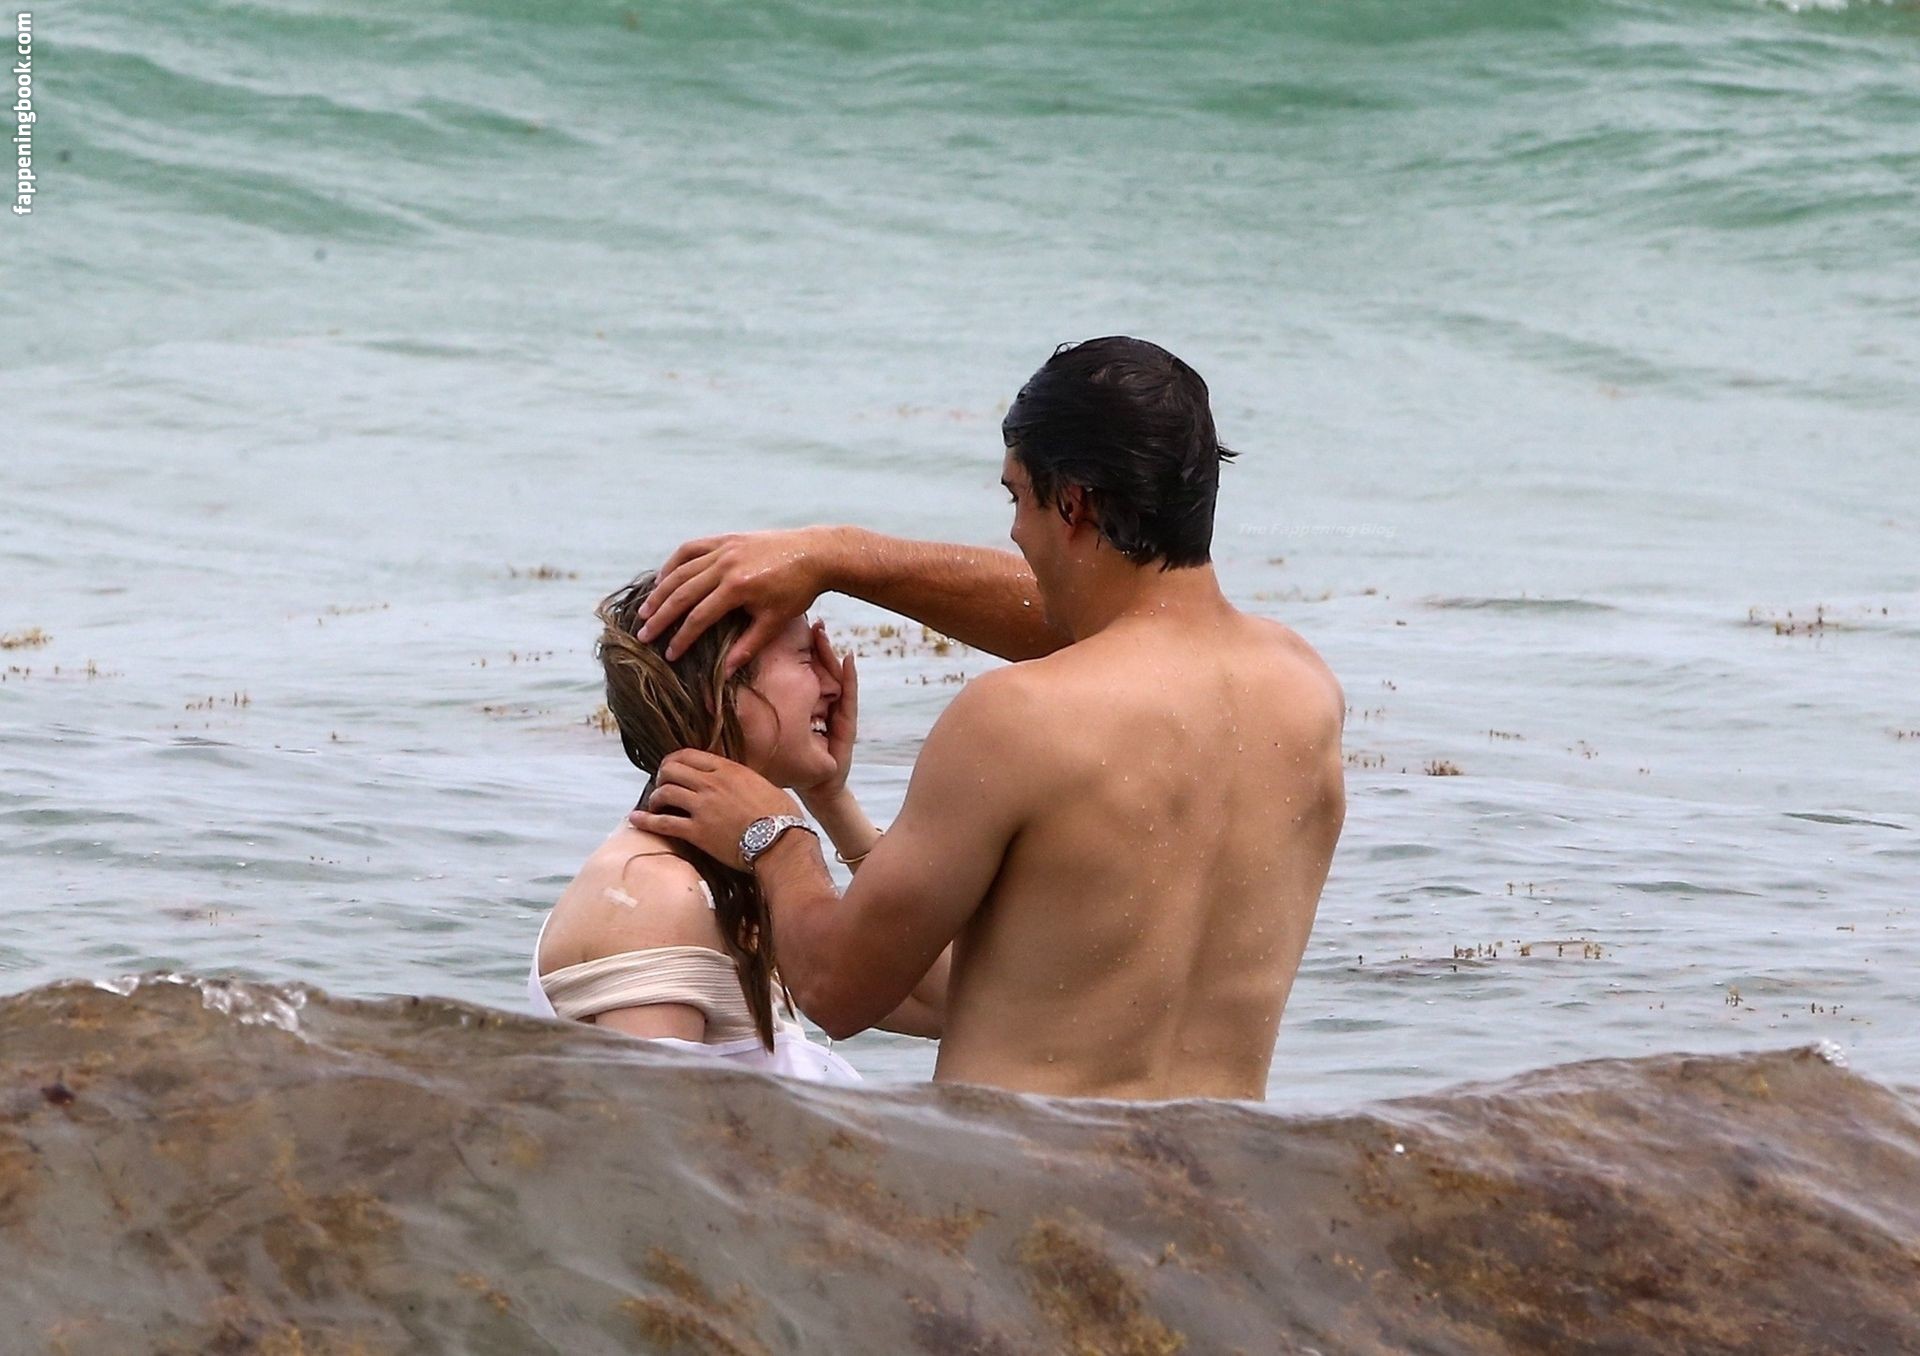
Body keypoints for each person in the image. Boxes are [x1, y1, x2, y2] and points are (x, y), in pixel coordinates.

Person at [628, 336, 1347, 1101]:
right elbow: (1125, 631)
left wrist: (774, 838)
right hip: (1220, 1169)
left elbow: (837, 989)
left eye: (1016, 498)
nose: (1014, 534)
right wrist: (836, 561)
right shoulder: (1304, 691)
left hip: (1027, 1169)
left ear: (1073, 502)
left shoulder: (1017, 720)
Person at [528, 574, 946, 1083]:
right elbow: (651, 1125)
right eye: (806, 658)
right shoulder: (655, 895)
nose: (834, 684)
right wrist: (785, 840)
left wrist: (830, 801)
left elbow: (947, 1000)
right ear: (721, 690)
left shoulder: (728, 876)